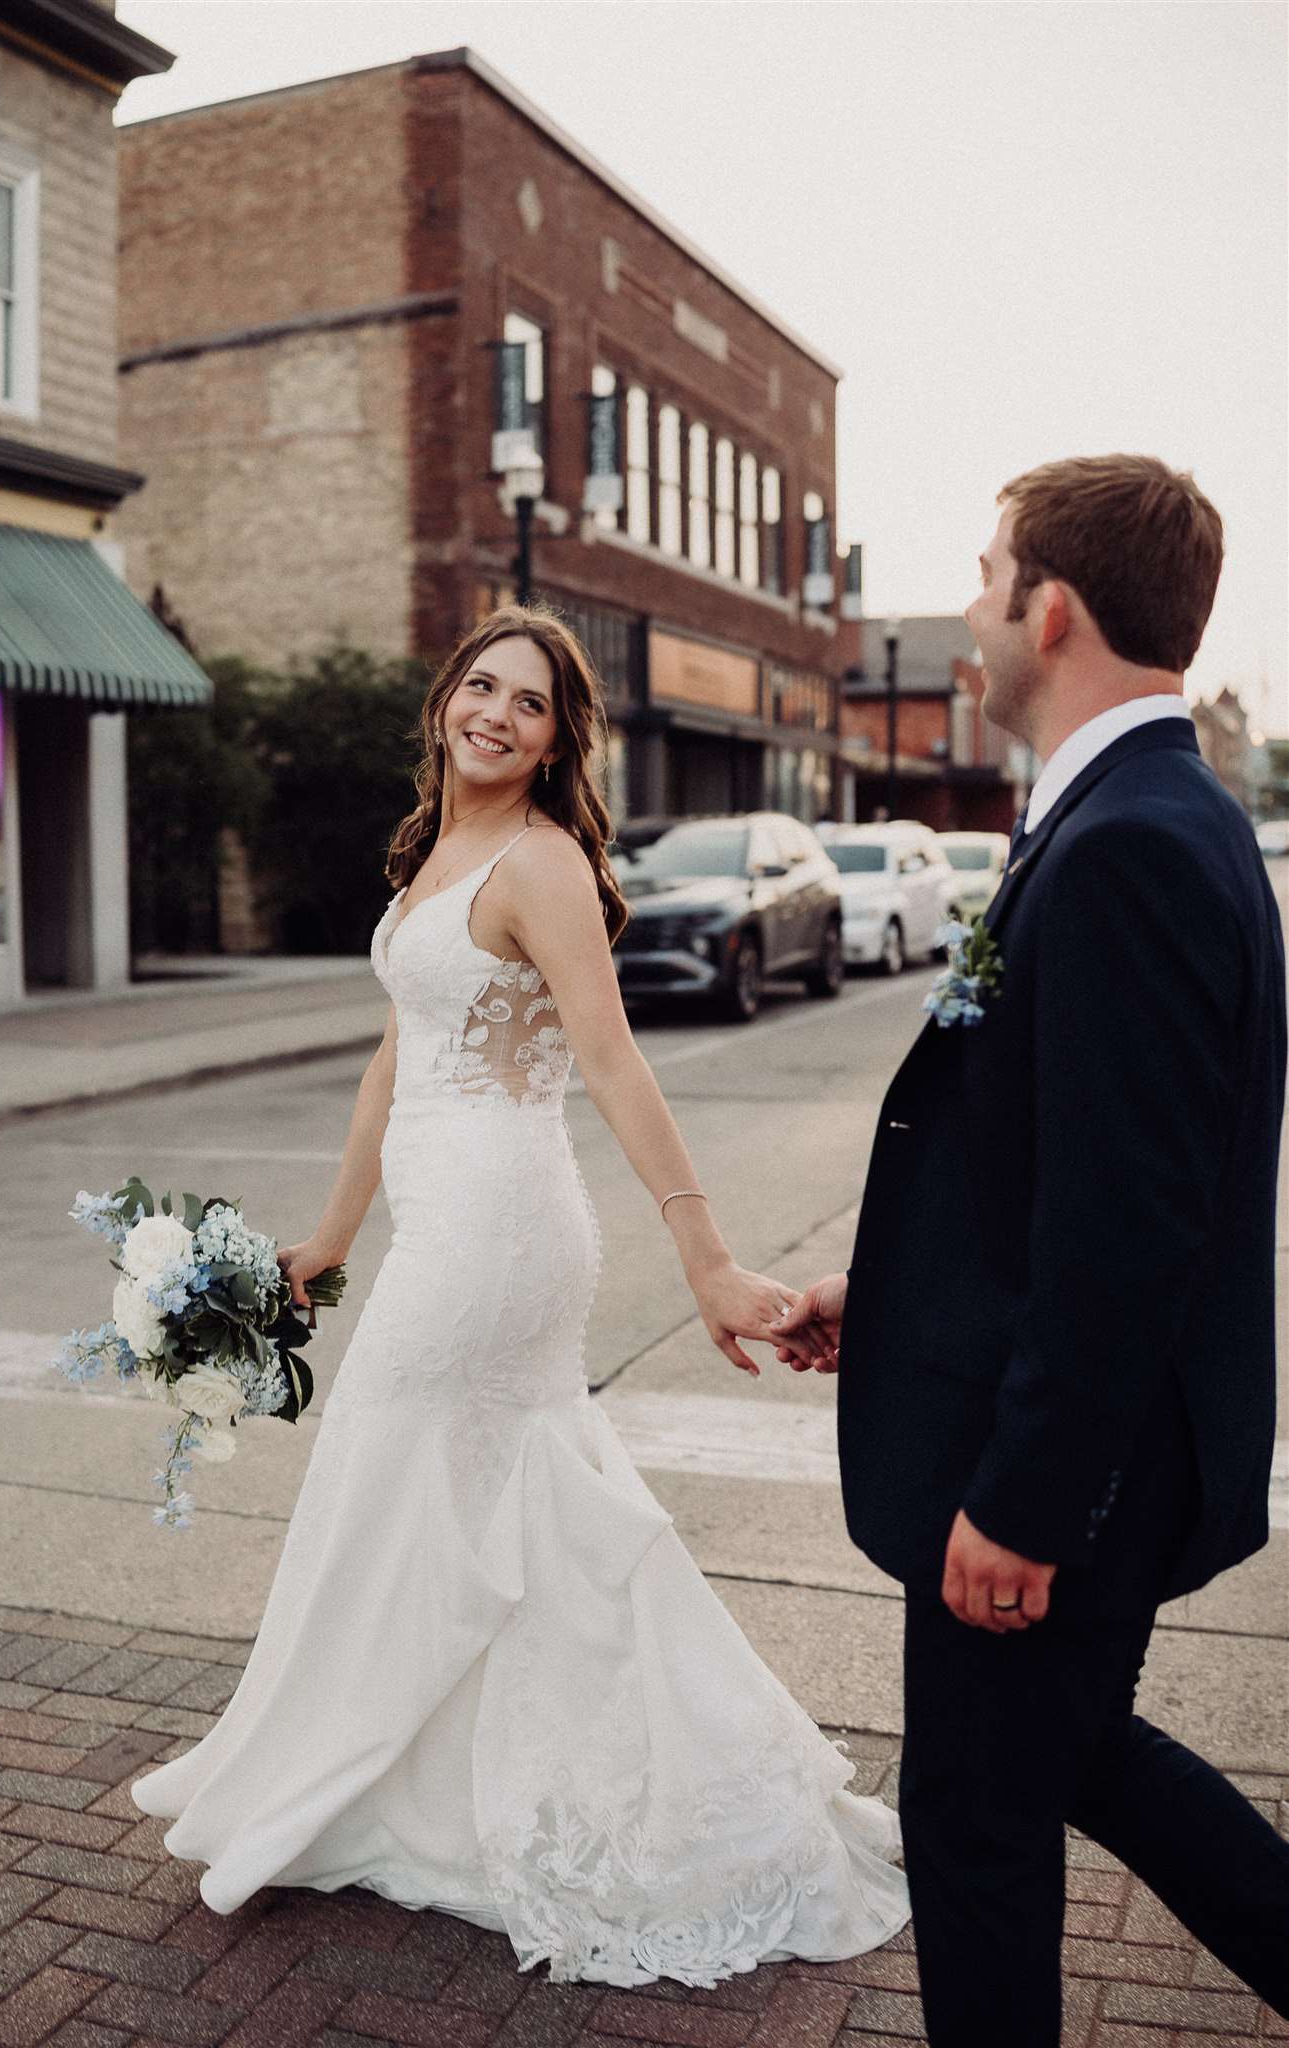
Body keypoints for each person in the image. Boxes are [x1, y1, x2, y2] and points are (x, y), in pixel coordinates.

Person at [130, 604, 909, 1988]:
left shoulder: (543, 863)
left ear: (558, 744)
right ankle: (423, 1782)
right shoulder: (436, 848)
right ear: (447, 698)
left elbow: (611, 1062)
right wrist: (330, 1231)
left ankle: (375, 1775)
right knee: (492, 1502)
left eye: (529, 704)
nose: (495, 712)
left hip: (499, 1224)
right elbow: (392, 1062)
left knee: (391, 1471)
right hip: (438, 1214)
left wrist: (704, 1254)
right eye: (481, 686)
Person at [776, 454, 1289, 2043]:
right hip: (1077, 1427)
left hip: (1068, 1466)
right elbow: (1064, 1173)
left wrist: (1022, 1501)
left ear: (1045, 604)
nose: (970, 611)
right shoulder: (1134, 816)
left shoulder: (1131, 842)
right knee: (1063, 1762)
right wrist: (899, 1296)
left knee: (977, 1826)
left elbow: (1129, 1226)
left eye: (986, 572)